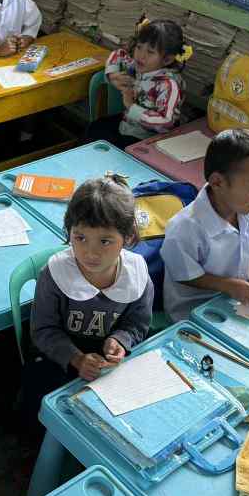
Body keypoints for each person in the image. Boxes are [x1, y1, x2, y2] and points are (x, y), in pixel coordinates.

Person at [21, 176, 154, 425]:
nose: (91, 252)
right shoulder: (54, 275)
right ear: (69, 232)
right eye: (80, 237)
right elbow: (43, 331)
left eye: (105, 241)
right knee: (48, 411)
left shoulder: (137, 276)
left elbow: (137, 324)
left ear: (127, 237)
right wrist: (77, 359)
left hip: (106, 361)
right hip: (57, 357)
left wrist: (120, 340)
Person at [161, 129, 249, 322]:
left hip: (236, 299)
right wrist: (228, 286)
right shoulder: (184, 227)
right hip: (193, 311)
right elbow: (185, 274)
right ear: (217, 182)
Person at [101, 19, 191, 146]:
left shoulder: (169, 85)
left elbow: (166, 121)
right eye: (139, 47)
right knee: (95, 129)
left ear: (167, 60)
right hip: (128, 126)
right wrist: (112, 75)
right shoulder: (139, 66)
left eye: (150, 52)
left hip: (147, 140)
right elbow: (119, 54)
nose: (141, 55)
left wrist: (131, 106)